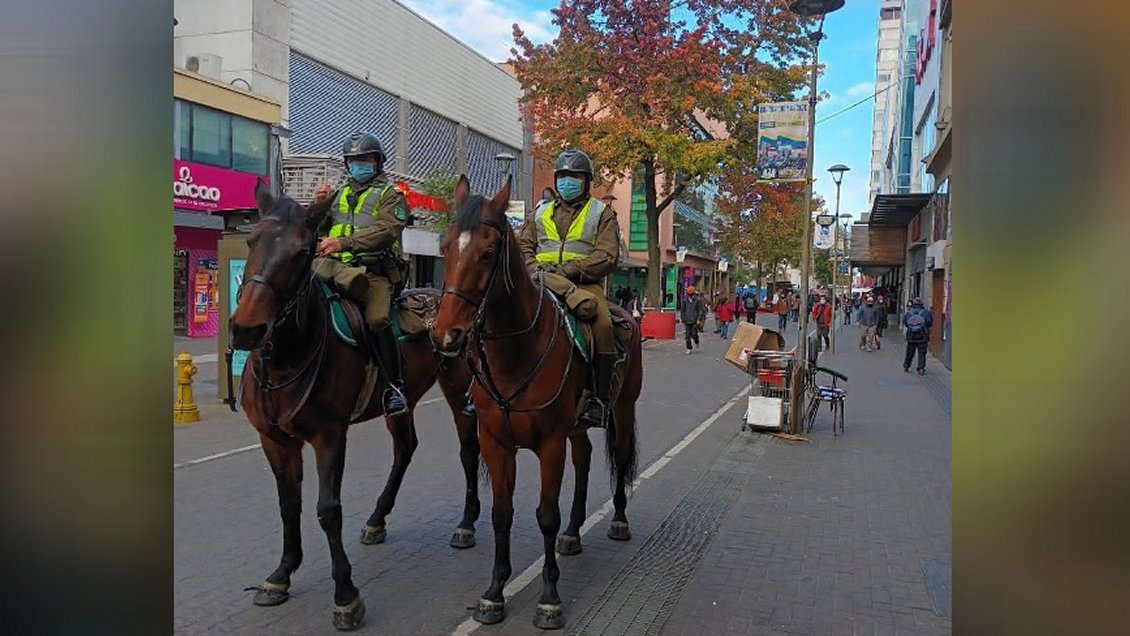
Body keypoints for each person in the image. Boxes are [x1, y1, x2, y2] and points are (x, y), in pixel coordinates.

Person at [519, 149, 619, 428]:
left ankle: (599, 400)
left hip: (584, 284)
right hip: (538, 280)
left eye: (575, 176)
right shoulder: (540, 211)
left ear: (587, 180)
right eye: (563, 176)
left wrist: (567, 270)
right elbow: (523, 245)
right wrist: (531, 268)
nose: (568, 181)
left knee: (604, 326)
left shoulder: (602, 213)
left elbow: (608, 256)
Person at [311, 131, 410, 415]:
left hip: (373, 272)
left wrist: (343, 243)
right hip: (332, 267)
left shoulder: (393, 196)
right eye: (354, 160)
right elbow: (317, 230)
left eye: (366, 159)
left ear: (378, 162)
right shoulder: (337, 194)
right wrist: (318, 206)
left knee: (377, 319)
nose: (360, 164)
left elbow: (386, 231)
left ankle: (395, 386)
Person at [902, 297, 934, 375]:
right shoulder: (926, 313)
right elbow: (930, 323)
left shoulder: (909, 313)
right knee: (922, 353)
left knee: (910, 352)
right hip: (923, 336)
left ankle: (907, 366)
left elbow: (905, 323)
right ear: (922, 304)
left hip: (911, 336)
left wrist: (913, 328)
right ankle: (921, 368)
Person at [681, 286, 707, 354]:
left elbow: (700, 310)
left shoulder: (697, 300)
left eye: (691, 293)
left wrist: (698, 319)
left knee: (694, 334)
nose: (690, 295)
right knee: (687, 335)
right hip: (687, 319)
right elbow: (683, 310)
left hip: (695, 319)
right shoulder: (684, 301)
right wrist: (683, 319)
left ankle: (696, 341)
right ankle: (689, 348)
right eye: (689, 293)